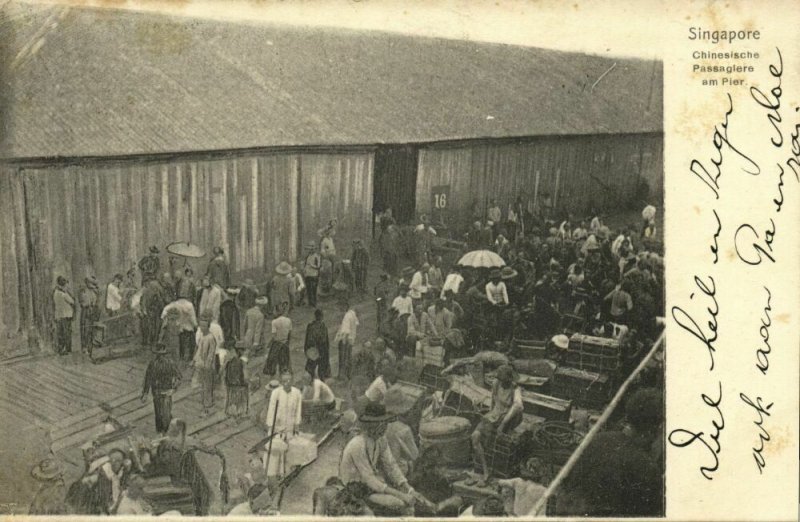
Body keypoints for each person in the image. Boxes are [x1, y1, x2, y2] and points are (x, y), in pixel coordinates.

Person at [339, 402, 428, 516]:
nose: (385, 426)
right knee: (400, 503)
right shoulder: (358, 444)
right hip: (355, 487)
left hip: (371, 485)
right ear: (371, 424)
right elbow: (368, 478)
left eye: (385, 423)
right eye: (382, 423)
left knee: (407, 503)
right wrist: (401, 495)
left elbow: (391, 466)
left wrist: (409, 488)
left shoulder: (381, 440)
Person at [471, 364, 523, 485]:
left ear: (510, 379)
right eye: (500, 380)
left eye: (504, 380)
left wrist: (503, 424)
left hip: (506, 417)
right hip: (493, 415)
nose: (502, 382)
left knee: (490, 441)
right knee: (475, 437)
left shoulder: (515, 389)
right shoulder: (496, 384)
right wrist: (488, 414)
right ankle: (485, 470)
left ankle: (487, 472)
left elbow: (518, 406)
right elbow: (493, 401)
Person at [141, 342, 182, 434]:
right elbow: (148, 379)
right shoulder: (152, 364)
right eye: (158, 355)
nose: (160, 357)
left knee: (166, 415)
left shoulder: (170, 363)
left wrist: (173, 389)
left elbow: (179, 377)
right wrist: (145, 393)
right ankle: (160, 434)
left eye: (162, 355)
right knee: (158, 415)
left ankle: (168, 432)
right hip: (156, 393)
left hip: (167, 392)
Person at [265, 369, 303, 440]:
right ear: (281, 382)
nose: (287, 383)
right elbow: (271, 410)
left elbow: (298, 411)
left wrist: (297, 425)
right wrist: (271, 427)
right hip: (277, 427)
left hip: (290, 426)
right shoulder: (276, 393)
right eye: (284, 381)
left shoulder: (297, 393)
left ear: (292, 381)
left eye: (289, 381)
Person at [194, 315, 218, 417]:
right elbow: (199, 350)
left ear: (208, 327)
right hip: (201, 365)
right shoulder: (202, 337)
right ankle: (203, 406)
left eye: (204, 326)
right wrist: (195, 360)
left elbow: (211, 354)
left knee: (207, 387)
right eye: (201, 326)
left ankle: (206, 409)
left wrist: (207, 365)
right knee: (202, 387)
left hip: (207, 367)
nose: (202, 328)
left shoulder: (211, 338)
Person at [160, 297, 197, 362]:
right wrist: (195, 326)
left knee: (180, 344)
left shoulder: (174, 304)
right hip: (188, 328)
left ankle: (181, 357)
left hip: (179, 327)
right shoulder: (190, 305)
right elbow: (192, 318)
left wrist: (168, 318)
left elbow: (164, 313)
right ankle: (189, 358)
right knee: (190, 344)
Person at [263, 303, 292, 378]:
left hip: (277, 343)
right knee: (284, 364)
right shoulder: (288, 320)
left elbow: (274, 336)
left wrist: (269, 344)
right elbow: (289, 333)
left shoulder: (274, 322)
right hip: (285, 343)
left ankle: (272, 376)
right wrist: (287, 342)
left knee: (271, 362)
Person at [334, 301, 359, 380]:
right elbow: (357, 323)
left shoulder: (346, 316)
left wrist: (344, 343)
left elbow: (346, 331)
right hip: (351, 340)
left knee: (343, 359)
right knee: (348, 358)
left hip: (345, 341)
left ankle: (342, 375)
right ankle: (348, 375)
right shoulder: (352, 313)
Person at [304, 308, 331, 380]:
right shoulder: (323, 326)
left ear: (315, 316)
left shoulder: (310, 326)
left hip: (313, 349)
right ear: (322, 317)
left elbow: (307, 339)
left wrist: (306, 350)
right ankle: (322, 380)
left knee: (311, 368)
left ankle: (311, 381)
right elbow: (326, 341)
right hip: (322, 349)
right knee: (322, 369)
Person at [225, 342, 249, 419]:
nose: (245, 352)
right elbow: (244, 376)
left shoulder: (230, 361)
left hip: (230, 384)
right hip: (238, 385)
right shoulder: (241, 362)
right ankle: (240, 413)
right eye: (243, 351)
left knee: (232, 398)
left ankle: (231, 412)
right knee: (243, 394)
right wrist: (246, 382)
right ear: (240, 351)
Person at [141, 278, 168, 348]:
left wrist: (144, 309)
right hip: (154, 309)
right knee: (156, 325)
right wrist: (163, 308)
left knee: (150, 325)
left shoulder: (147, 288)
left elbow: (144, 300)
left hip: (149, 309)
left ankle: (149, 341)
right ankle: (154, 341)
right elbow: (160, 298)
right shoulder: (156, 286)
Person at [79, 275, 101, 359]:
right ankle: (85, 348)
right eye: (90, 283)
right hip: (86, 311)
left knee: (92, 330)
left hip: (93, 311)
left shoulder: (94, 291)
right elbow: (83, 302)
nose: (92, 284)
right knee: (86, 329)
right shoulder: (83, 290)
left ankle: (91, 348)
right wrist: (89, 304)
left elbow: (97, 300)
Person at [53, 276, 75, 355]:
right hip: (66, 315)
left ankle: (61, 349)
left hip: (59, 316)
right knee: (67, 332)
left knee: (61, 333)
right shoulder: (63, 294)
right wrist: (67, 292)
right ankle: (67, 349)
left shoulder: (55, 292)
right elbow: (72, 301)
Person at [303, 242, 322, 307]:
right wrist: (304, 271)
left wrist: (312, 265)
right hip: (308, 275)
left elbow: (318, 266)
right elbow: (305, 265)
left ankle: (314, 303)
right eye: (310, 249)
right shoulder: (308, 256)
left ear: (314, 249)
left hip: (314, 275)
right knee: (309, 290)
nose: (311, 250)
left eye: (312, 249)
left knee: (313, 289)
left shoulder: (317, 256)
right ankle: (310, 303)